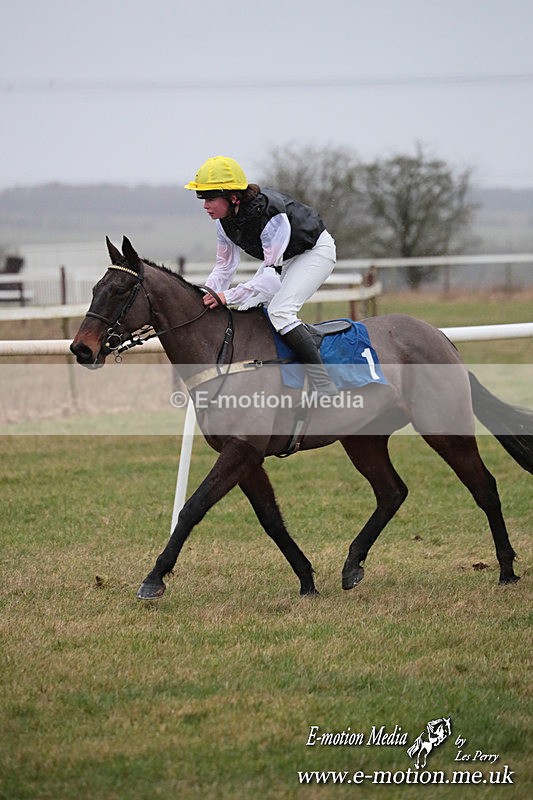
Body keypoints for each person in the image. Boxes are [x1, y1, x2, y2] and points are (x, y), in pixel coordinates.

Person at [184, 155, 338, 396]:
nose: (205, 205)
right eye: (202, 198)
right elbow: (224, 267)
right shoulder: (223, 222)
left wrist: (228, 296)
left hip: (314, 252)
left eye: (211, 198)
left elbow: (270, 280)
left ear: (232, 196)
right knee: (246, 309)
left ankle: (324, 385)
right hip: (283, 259)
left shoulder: (270, 215)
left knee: (280, 312)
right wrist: (208, 294)